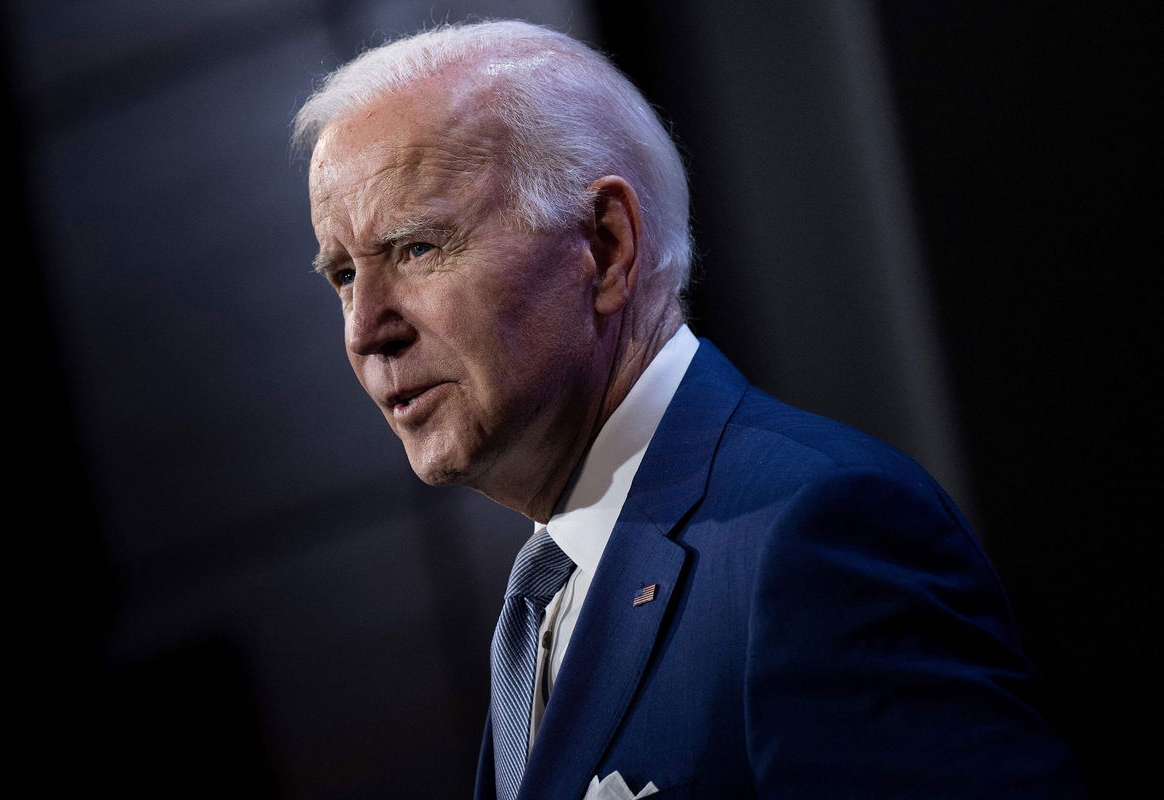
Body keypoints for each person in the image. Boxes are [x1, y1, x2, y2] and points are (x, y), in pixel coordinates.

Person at [294, 20, 1084, 800]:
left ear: (604, 245)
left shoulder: (812, 536)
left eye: (416, 248)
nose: (367, 330)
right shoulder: (544, 602)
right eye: (341, 276)